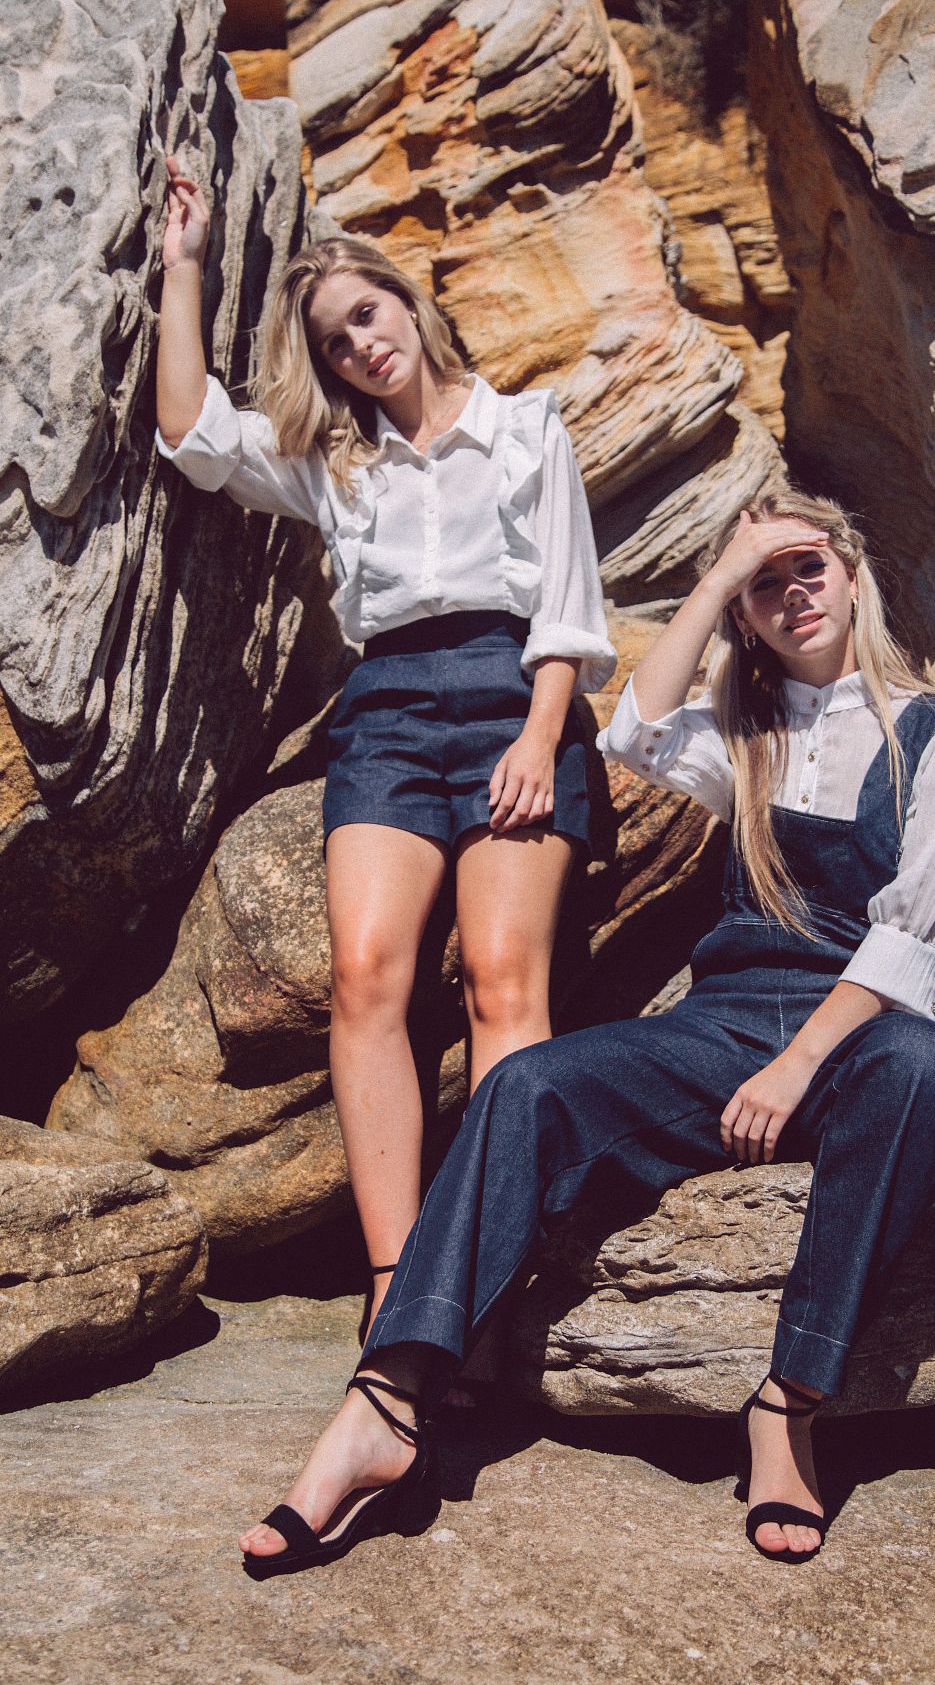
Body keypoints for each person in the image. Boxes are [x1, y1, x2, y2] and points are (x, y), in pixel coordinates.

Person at [237, 484, 935, 1576]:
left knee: (923, 1069)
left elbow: (916, 939)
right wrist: (719, 576)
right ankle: (386, 1404)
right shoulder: (749, 731)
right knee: (528, 1083)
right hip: (725, 1023)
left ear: (854, 576)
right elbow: (636, 727)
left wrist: (794, 1068)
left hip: (861, 1033)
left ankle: (788, 1405)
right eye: (767, 586)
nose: (793, 595)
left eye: (810, 568)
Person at [156, 156, 616, 1342]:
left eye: (369, 313)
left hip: (516, 699)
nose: (362, 345)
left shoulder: (526, 429)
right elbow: (191, 431)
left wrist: (540, 737)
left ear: (408, 302)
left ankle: (495, 1274)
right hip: (388, 717)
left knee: (504, 984)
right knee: (365, 980)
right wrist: (184, 265)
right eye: (334, 341)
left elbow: (568, 609)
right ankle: (396, 1280)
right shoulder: (333, 460)